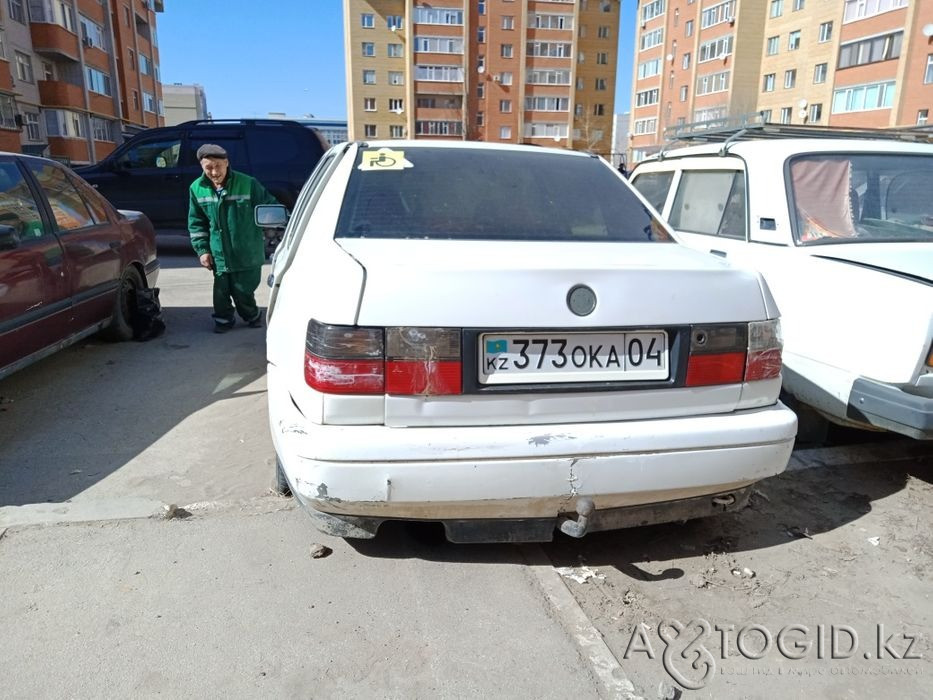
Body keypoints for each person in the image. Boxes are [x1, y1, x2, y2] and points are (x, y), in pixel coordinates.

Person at [188, 144, 279, 333]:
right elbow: (196, 222)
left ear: (227, 163)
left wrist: (275, 221)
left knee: (243, 290)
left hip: (246, 251)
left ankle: (252, 315)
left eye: (218, 166)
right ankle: (223, 320)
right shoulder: (197, 189)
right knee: (220, 291)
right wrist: (203, 250)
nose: (214, 172)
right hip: (219, 252)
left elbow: (271, 206)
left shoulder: (248, 183)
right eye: (208, 168)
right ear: (202, 167)